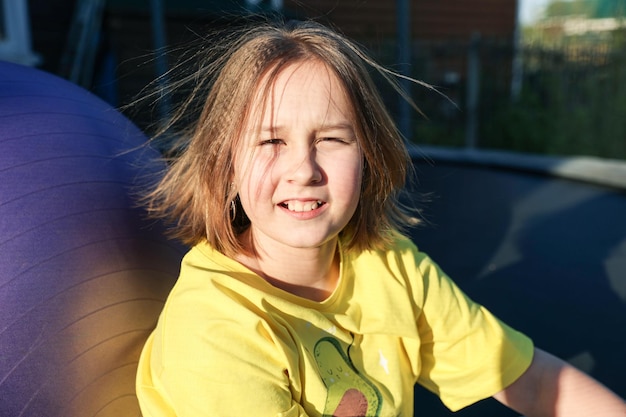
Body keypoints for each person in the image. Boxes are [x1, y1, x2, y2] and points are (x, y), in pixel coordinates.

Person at [135, 19, 626, 417]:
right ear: (226, 163)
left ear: (367, 155)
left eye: (331, 139)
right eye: (271, 142)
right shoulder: (216, 327)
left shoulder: (389, 265)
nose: (303, 170)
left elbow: (536, 383)